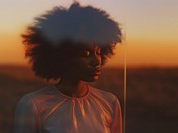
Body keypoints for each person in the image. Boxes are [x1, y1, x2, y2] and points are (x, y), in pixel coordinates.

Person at [14, 2, 122, 133]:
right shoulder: (33, 105)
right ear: (63, 56)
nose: (96, 61)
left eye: (98, 52)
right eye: (86, 54)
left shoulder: (109, 103)